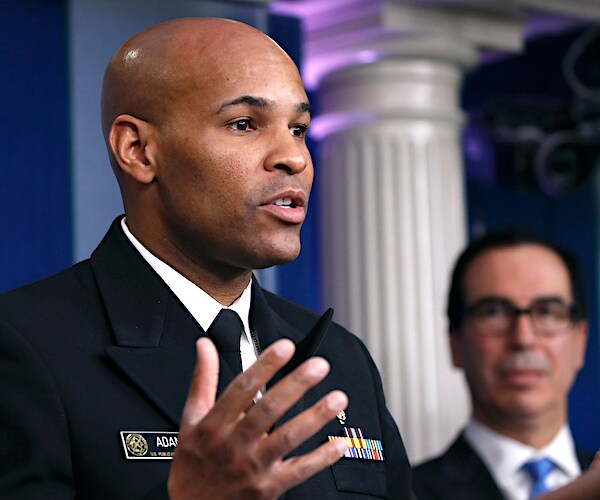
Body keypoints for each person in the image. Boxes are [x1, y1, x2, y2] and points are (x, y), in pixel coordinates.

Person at [0, 17, 412, 499]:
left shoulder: (341, 358)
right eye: (244, 124)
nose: (294, 158)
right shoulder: (23, 345)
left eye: (298, 129)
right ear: (138, 150)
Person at [412, 228, 595, 499]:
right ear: (454, 342)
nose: (523, 338)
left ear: (580, 341)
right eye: (494, 312)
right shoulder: (406, 492)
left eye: (546, 311)